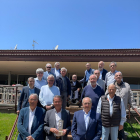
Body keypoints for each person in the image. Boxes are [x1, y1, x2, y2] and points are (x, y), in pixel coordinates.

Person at [106, 72, 138, 140]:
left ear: (122, 77)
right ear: (114, 77)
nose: (118, 76)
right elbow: (106, 95)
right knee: (111, 129)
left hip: (122, 111)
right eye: (116, 75)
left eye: (119, 75)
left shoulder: (127, 85)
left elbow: (130, 97)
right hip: (112, 111)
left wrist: (134, 106)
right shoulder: (111, 85)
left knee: (121, 128)